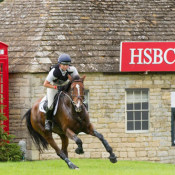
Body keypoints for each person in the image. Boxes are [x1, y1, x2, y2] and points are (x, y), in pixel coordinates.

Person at [43, 53, 79, 131]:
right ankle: (48, 121)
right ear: (59, 64)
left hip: (66, 85)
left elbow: (77, 81)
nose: (66, 67)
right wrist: (56, 87)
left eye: (67, 65)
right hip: (53, 86)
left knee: (76, 97)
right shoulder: (54, 71)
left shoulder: (73, 69)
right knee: (50, 105)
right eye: (63, 65)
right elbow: (45, 84)